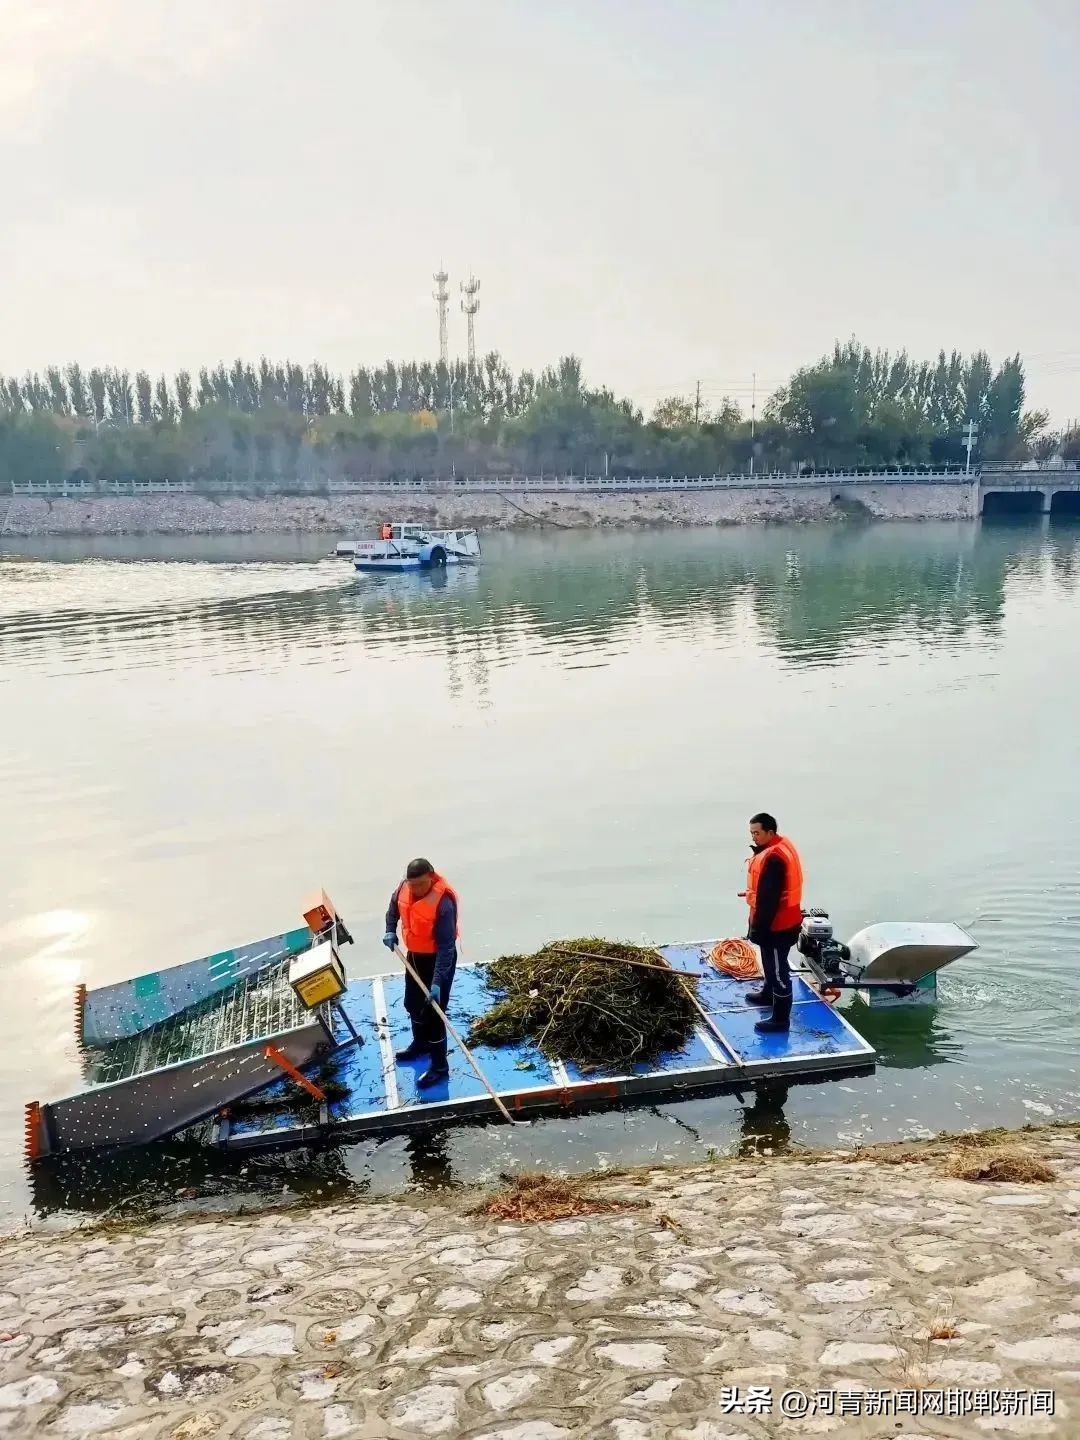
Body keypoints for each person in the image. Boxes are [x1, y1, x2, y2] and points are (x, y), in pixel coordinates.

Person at [383, 858, 459, 1087]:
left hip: (439, 961)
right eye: (412, 884)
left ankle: (439, 1067)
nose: (415, 889)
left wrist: (436, 983)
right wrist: (389, 931)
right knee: (412, 1003)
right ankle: (421, 1044)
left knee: (434, 1015)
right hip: (415, 956)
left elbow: (446, 949)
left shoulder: (443, 903)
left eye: (420, 884)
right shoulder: (403, 889)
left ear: (431, 876)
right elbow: (392, 912)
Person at [742, 812, 804, 1034]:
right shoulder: (778, 847)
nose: (754, 837)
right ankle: (768, 994)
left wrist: (757, 930)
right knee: (770, 964)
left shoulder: (774, 858)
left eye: (757, 833)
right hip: (782, 921)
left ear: (770, 832)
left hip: (778, 926)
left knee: (778, 971)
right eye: (751, 833)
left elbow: (768, 900)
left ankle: (780, 1019)